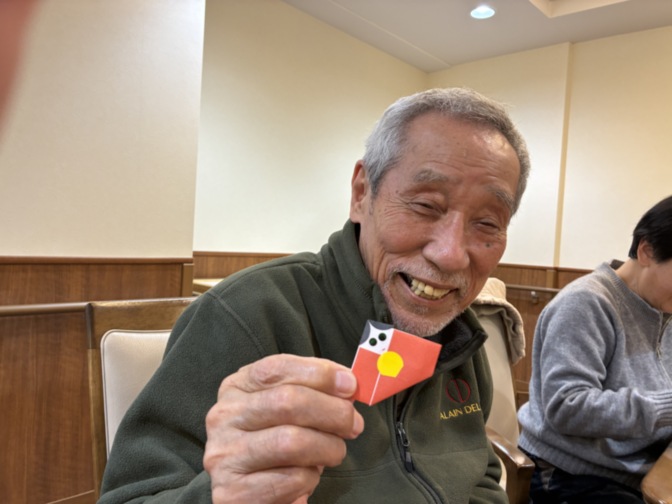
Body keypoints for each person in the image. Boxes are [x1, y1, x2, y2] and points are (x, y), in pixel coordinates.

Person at [98, 87, 531, 504]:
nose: (451, 255)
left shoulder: (459, 338)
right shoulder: (248, 314)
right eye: (425, 206)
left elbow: (478, 477)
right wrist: (222, 495)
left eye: (487, 223)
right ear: (361, 194)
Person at [517, 195, 672, 503]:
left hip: (641, 468)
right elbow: (567, 407)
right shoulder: (586, 303)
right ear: (646, 251)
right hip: (571, 473)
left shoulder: (663, 306)